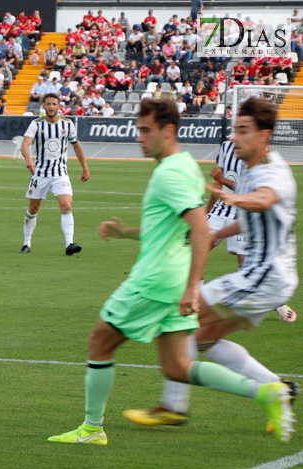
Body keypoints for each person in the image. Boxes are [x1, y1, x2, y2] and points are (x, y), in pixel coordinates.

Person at [48, 98, 292, 446]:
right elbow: (176, 228)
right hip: (172, 279)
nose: (139, 138)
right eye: (138, 130)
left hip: (155, 281)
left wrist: (195, 286)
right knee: (179, 366)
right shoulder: (185, 166)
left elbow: (200, 227)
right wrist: (127, 233)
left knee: (100, 341)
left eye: (145, 130)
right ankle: (266, 392)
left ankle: (91, 429)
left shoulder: (172, 172)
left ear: (168, 131)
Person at [124, 98, 298, 433]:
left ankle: (173, 406)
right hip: (271, 279)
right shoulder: (249, 169)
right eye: (235, 129)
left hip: (262, 277)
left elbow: (265, 199)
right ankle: (280, 390)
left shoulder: (273, 171)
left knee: (182, 315)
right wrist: (219, 231)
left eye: (244, 131)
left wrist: (234, 198)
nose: (236, 137)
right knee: (203, 340)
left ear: (264, 136)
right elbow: (252, 218)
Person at [18, 93, 91, 255]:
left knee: (66, 206)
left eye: (54, 104)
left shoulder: (67, 124)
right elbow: (25, 144)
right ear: (43, 106)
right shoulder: (36, 124)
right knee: (33, 208)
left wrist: (85, 167)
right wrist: (29, 159)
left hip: (60, 173)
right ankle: (26, 242)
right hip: (40, 173)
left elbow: (76, 145)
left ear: (59, 106)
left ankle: (69, 244)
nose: (51, 107)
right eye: (48, 104)